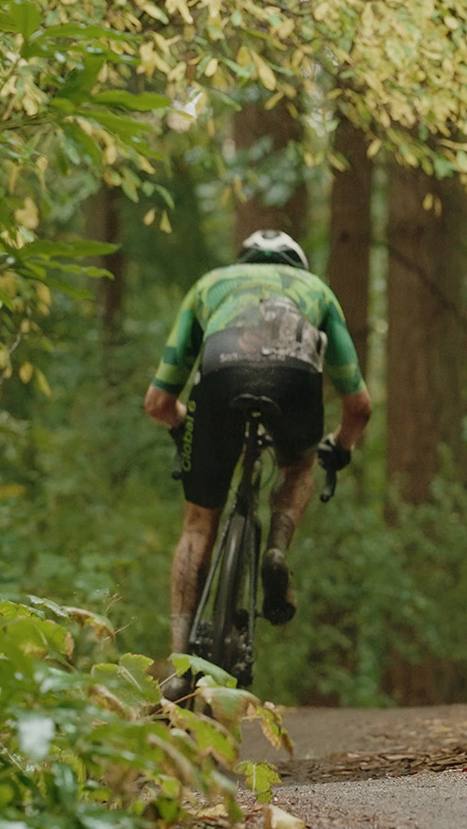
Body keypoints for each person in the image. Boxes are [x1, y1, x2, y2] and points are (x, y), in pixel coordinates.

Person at [142, 229, 371, 701]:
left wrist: (185, 426)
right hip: (296, 386)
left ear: (243, 259)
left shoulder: (209, 285)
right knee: (297, 468)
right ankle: (277, 549)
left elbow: (159, 402)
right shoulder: (317, 292)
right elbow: (360, 406)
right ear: (297, 265)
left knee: (197, 525)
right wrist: (340, 446)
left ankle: (179, 664)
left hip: (221, 381)